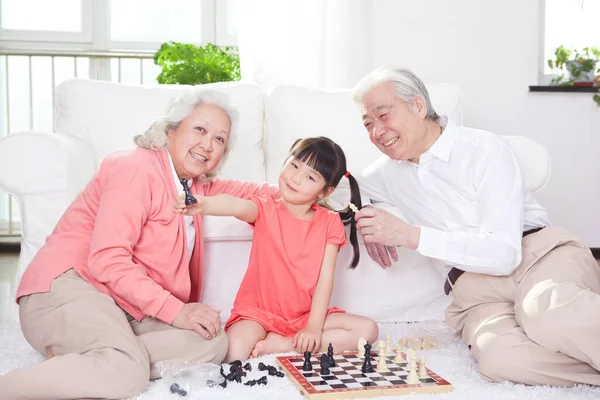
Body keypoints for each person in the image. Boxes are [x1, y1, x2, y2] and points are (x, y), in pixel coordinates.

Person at [0, 89, 278, 400]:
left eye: (219, 139)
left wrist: (319, 193)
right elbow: (107, 259)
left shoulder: (192, 187)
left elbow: (257, 193)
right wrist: (176, 311)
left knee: (212, 342)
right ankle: (95, 365)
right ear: (171, 129)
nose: (208, 144)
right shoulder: (134, 167)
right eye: (200, 129)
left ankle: (90, 359)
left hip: (123, 305)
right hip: (67, 286)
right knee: (127, 375)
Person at [350, 66, 600, 387]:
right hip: (475, 293)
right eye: (368, 123)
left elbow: (503, 254)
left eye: (384, 115)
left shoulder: (485, 150)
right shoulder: (383, 174)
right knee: (501, 359)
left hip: (536, 256)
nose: (377, 131)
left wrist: (410, 235)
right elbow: (338, 190)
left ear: (418, 106)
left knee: (546, 313)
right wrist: (368, 214)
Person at [175, 137, 379, 362]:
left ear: (324, 192)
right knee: (233, 352)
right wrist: (205, 204)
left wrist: (312, 326)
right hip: (257, 315)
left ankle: (281, 344)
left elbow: (325, 279)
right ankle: (283, 340)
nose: (296, 178)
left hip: (304, 317)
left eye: (310, 177)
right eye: (294, 165)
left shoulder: (329, 221)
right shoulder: (264, 208)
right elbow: (235, 204)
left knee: (367, 331)